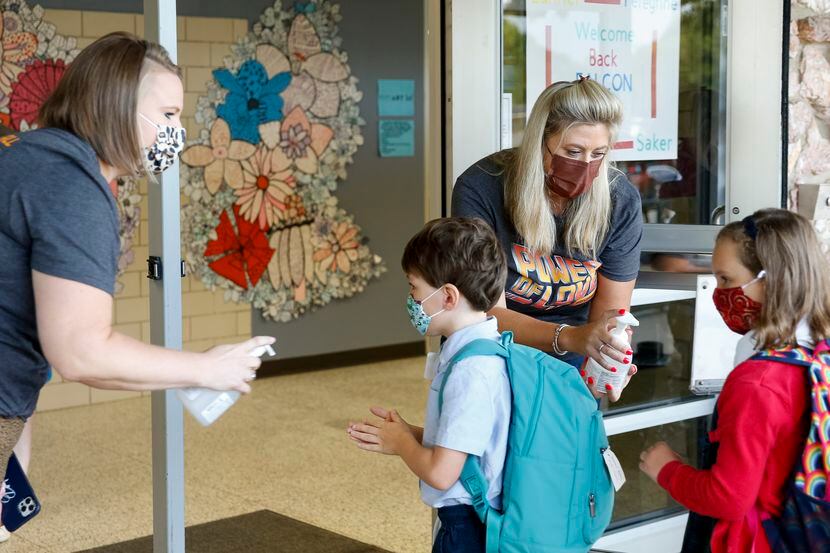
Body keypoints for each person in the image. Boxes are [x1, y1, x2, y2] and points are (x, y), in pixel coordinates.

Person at [0, 32, 274, 533]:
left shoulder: (24, 151)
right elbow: (82, 352)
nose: (178, 132)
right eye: (167, 115)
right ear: (117, 104)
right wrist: (203, 369)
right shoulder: (71, 184)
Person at [639, 208, 830, 553]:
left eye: (726, 279)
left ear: (771, 279)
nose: (718, 294)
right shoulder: (819, 354)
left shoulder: (758, 383)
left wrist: (667, 469)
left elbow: (728, 498)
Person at [452, 77, 642, 399]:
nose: (585, 165)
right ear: (541, 141)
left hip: (568, 370)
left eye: (598, 154)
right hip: (490, 358)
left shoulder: (620, 201)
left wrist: (606, 362)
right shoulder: (481, 188)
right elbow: (484, 314)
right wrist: (571, 337)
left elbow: (610, 318)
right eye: (573, 151)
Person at [347, 218, 511, 553]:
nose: (411, 299)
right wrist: (412, 433)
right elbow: (466, 446)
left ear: (447, 296)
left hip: (468, 529)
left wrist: (402, 445)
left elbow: (441, 473)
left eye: (414, 288)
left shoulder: (471, 371)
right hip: (471, 521)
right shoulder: (484, 349)